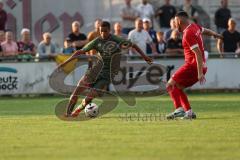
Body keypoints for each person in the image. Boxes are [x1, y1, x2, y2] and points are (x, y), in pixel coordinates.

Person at [57, 21, 153, 117]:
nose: (103, 33)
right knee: (76, 92)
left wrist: (145, 57)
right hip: (94, 71)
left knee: (89, 97)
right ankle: (67, 113)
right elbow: (79, 52)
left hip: (107, 74)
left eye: (105, 31)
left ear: (109, 30)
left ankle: (78, 110)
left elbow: (133, 45)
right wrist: (65, 63)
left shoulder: (115, 39)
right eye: (101, 31)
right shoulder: (97, 41)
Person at [166, 11, 222, 119]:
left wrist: (200, 72)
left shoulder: (188, 33)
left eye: (175, 22)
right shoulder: (194, 26)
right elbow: (205, 30)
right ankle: (189, 112)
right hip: (198, 66)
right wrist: (215, 34)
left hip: (193, 66)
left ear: (179, 21)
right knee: (178, 87)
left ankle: (179, 109)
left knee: (170, 85)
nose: (174, 24)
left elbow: (198, 53)